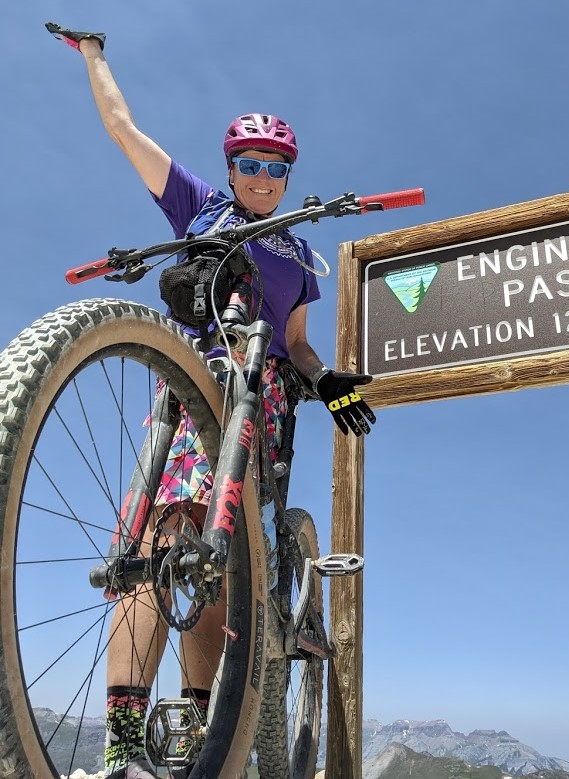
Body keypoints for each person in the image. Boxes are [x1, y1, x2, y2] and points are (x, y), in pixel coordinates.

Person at [46, 22, 376, 779]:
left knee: (222, 571)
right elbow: (124, 130)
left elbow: (297, 342)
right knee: (162, 548)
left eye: (276, 166)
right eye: (250, 162)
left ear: (290, 176)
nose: (262, 175)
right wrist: (95, 56)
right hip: (195, 392)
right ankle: (124, 749)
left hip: (264, 411)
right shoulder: (199, 206)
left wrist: (326, 383)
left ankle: (200, 742)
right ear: (230, 168)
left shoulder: (299, 250)